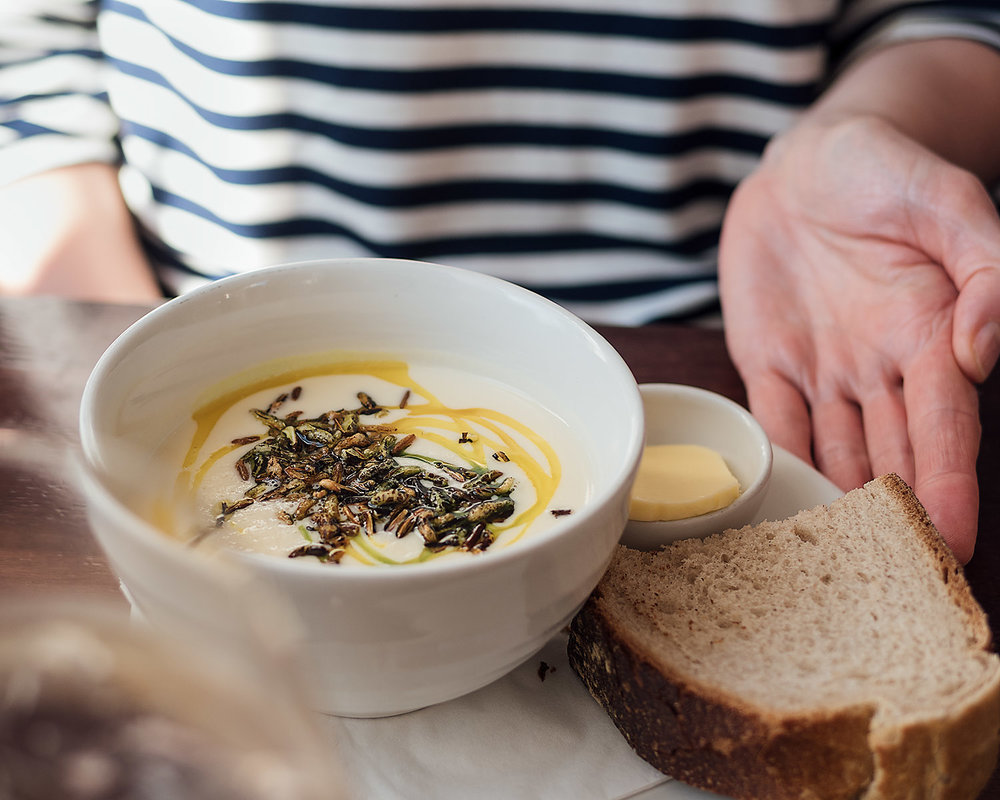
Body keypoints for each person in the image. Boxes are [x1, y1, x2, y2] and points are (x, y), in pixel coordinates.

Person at [2, 2, 998, 561]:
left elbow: (946, 12)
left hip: (738, 354)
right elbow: (28, 49)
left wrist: (860, 127)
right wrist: (132, 376)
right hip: (164, 331)